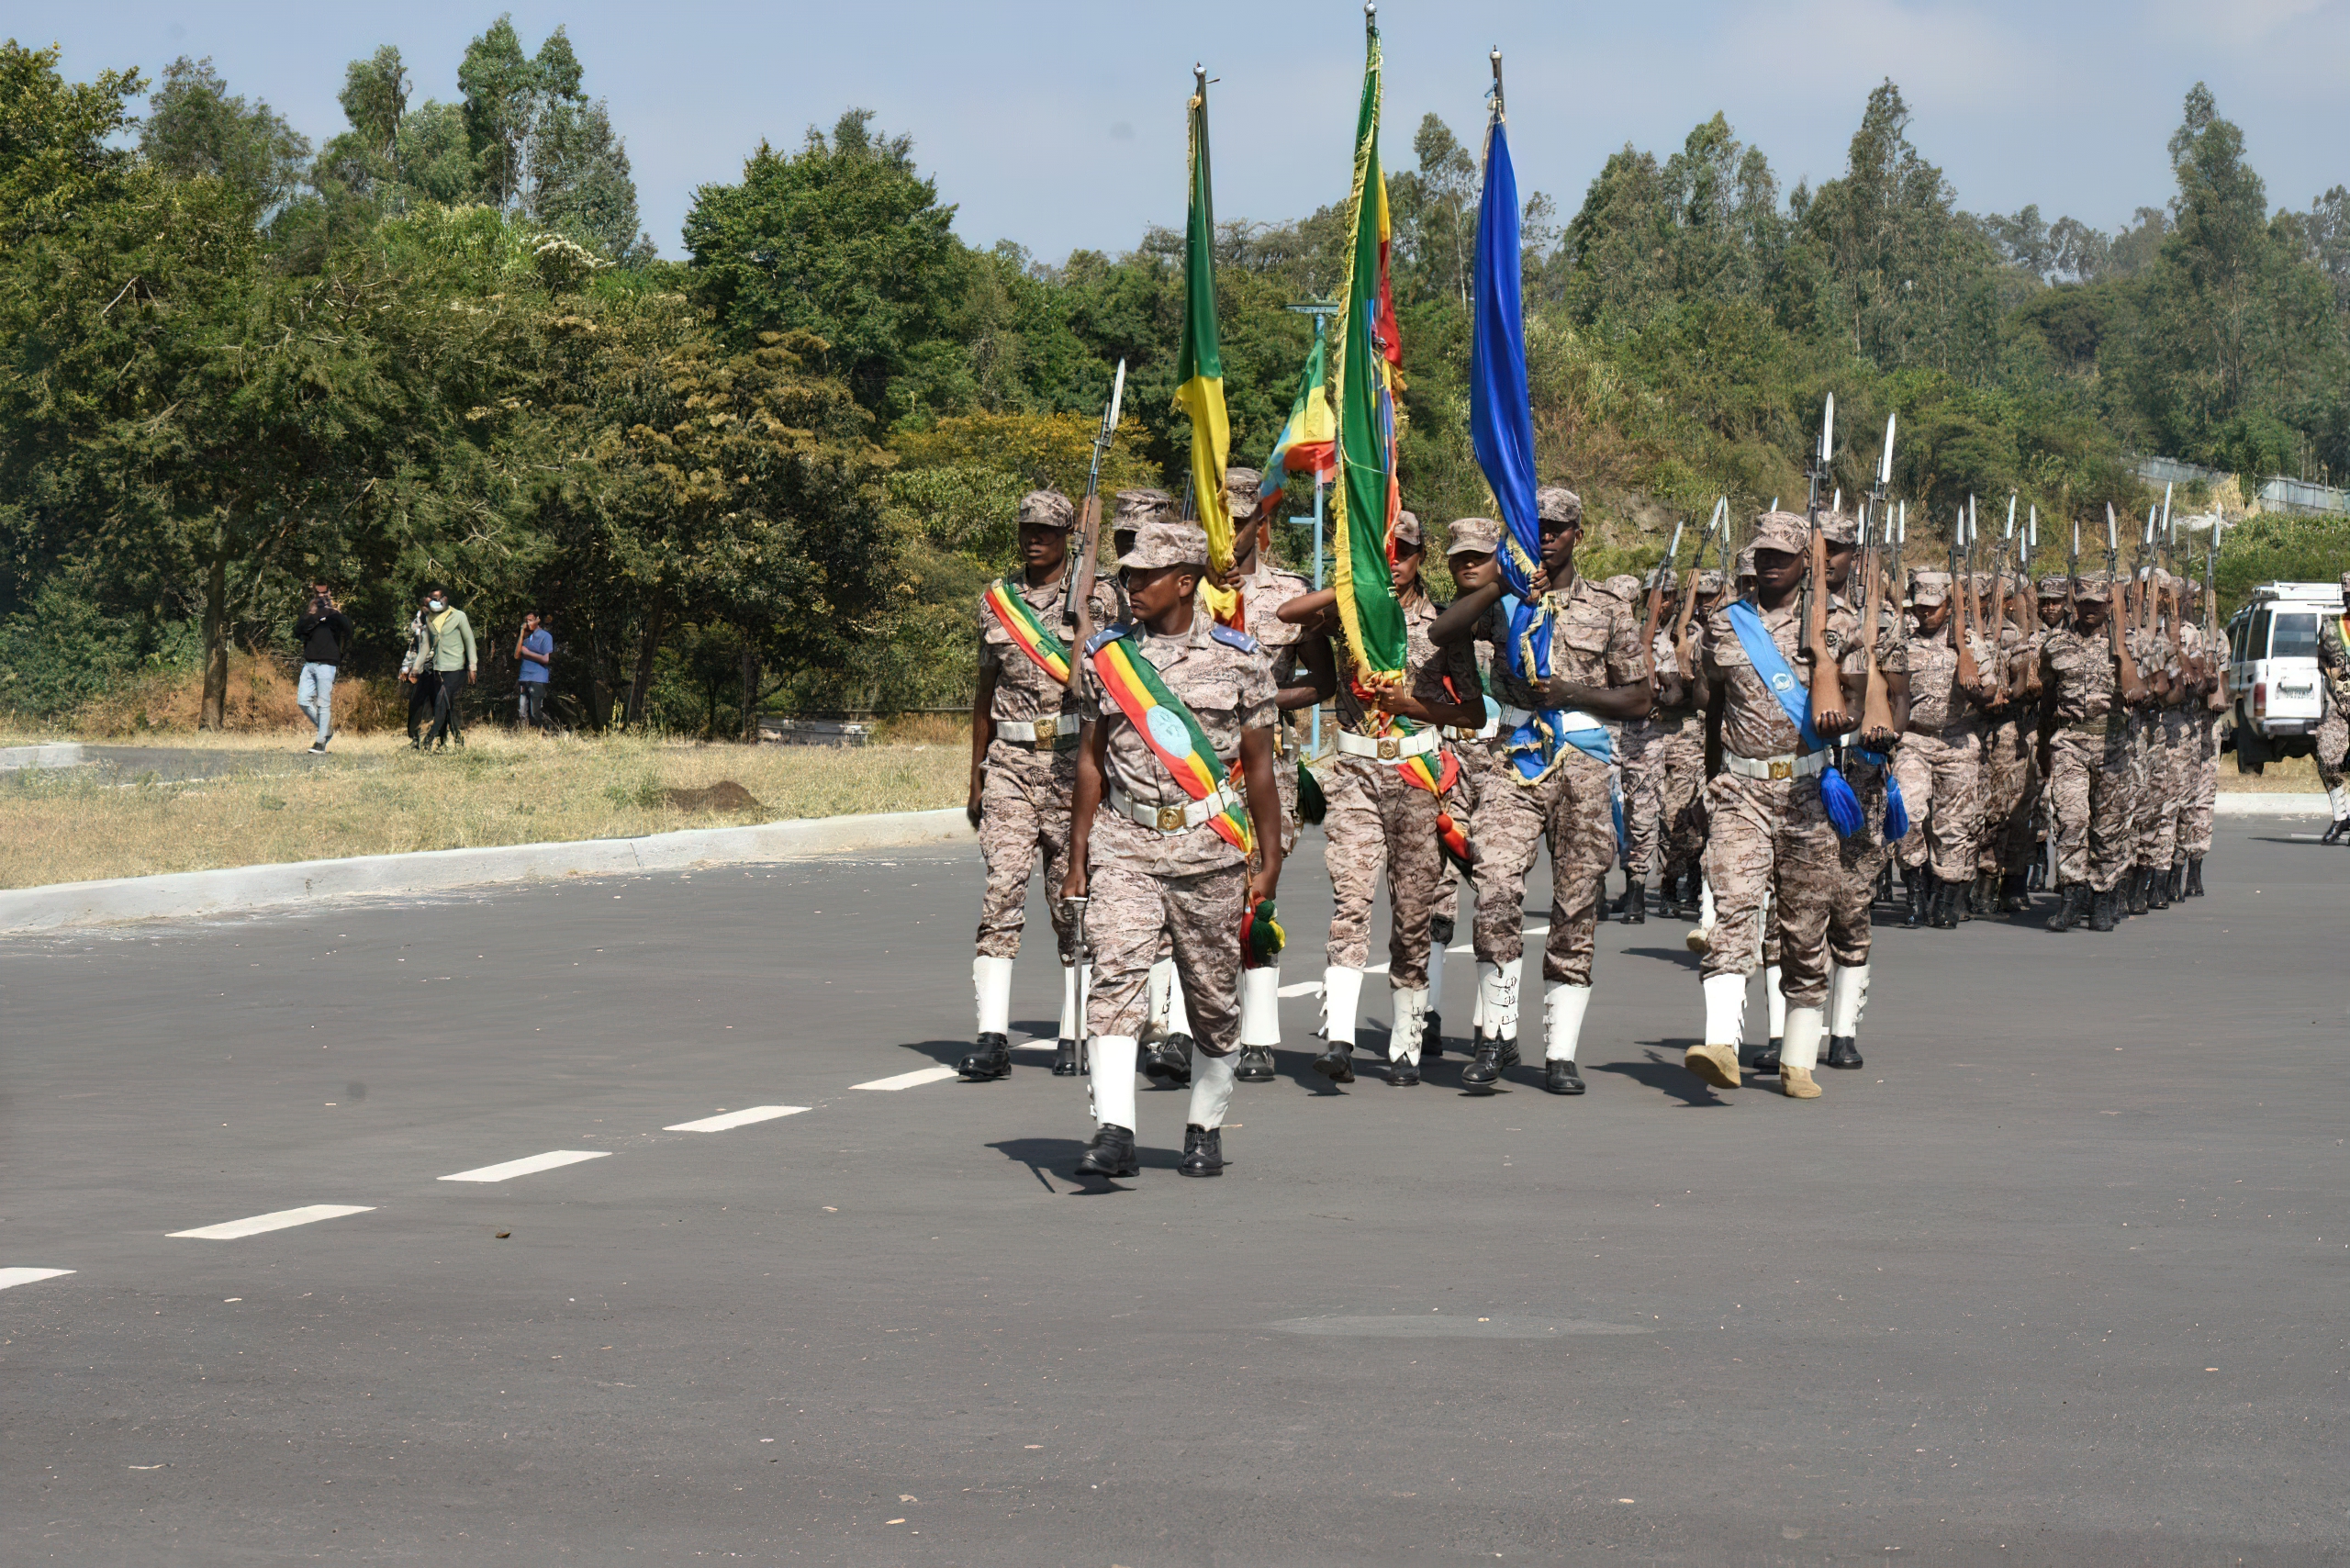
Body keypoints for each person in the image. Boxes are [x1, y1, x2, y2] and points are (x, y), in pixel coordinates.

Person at [1061, 520, 1286, 1180]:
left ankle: (1203, 1124)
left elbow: (1262, 769)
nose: (1130, 586)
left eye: (1144, 575)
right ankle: (1115, 1131)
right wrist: (1078, 857)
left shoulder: (1240, 658)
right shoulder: (1107, 659)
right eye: (1126, 575)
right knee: (1116, 980)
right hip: (1125, 844)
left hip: (1209, 851)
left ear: (1184, 582)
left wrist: (1267, 862)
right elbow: (1090, 763)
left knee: (1213, 1002)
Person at [1427, 485, 1651, 1097]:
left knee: (1576, 905)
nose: (1546, 536)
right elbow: (1441, 631)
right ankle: (1496, 1032)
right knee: (1495, 883)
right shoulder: (1502, 598)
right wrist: (1499, 584)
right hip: (1514, 757)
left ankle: (1560, 1051)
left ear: (1579, 534)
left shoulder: (1608, 607)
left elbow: (1640, 697)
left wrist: (1574, 695)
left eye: (1556, 527)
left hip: (1581, 758)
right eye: (1535, 526)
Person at [1281, 512, 1483, 1086]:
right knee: (1351, 902)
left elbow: (1471, 712)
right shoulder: (1349, 616)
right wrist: (1351, 584)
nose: (1395, 560)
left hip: (1417, 776)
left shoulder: (1443, 627)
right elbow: (1287, 615)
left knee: (1413, 912)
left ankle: (1406, 1042)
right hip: (1355, 775)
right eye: (1384, 550)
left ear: (1422, 557)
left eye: (1406, 551)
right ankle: (1340, 1038)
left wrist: (1411, 706)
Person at [1684, 510, 1860, 1101]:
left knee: (1804, 931)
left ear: (1804, 562)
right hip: (1740, 789)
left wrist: (1839, 706)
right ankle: (1720, 1044)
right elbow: (1712, 707)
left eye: (1781, 557)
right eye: (1761, 555)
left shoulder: (1837, 624)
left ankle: (1799, 1056)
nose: (1768, 565)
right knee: (1734, 905)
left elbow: (1863, 700)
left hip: (1809, 791)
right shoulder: (1725, 623)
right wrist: (1709, 782)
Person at [959, 489, 1122, 1082]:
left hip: (1070, 763)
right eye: (1027, 529)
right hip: (1009, 760)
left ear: (1065, 538)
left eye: (1048, 531)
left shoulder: (1099, 597)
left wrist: (1083, 621)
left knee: (1069, 902)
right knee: (1000, 889)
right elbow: (983, 693)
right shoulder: (997, 603)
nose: (1035, 539)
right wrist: (976, 776)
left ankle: (1075, 1028)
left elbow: (1116, 675)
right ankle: (991, 1035)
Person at [1210, 469, 1329, 1087]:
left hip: (1266, 766)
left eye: (1240, 522)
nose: (1229, 536)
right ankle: (1182, 1027)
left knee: (1258, 894)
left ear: (1264, 523)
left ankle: (1257, 1034)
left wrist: (1263, 704)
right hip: (1195, 764)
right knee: (1193, 892)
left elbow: (1323, 682)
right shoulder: (1185, 589)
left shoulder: (1289, 592)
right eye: (1219, 521)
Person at [2036, 572, 2145, 932]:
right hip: (2069, 742)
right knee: (2070, 820)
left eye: (2097, 603)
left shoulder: (2128, 645)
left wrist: (2124, 660)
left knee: (2109, 826)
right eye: (2083, 602)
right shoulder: (2056, 645)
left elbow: (2148, 689)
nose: (2089, 610)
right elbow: (2048, 700)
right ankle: (2071, 895)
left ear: (2109, 605)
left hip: (2113, 745)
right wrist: (2043, 747)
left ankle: (2102, 897)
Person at [1889, 571, 1989, 930]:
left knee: (1953, 826)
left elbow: (1993, 693)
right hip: (1914, 741)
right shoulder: (1901, 643)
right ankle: (1914, 887)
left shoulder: (1970, 644)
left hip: (1957, 744)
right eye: (1920, 608)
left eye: (1933, 608)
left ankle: (1945, 899)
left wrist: (1973, 678)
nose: (1925, 615)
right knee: (1908, 813)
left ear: (1948, 607)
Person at [294, 583, 352, 755]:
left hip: (327, 664)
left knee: (323, 703)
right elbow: (297, 631)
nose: (321, 596)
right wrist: (313, 615)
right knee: (303, 700)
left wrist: (332, 611)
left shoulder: (335, 615)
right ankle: (325, 729)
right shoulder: (310, 613)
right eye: (317, 593)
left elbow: (348, 630)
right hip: (310, 663)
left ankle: (320, 742)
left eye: (324, 592)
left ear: (329, 592)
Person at [420, 586, 477, 751]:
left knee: (441, 702)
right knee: (448, 706)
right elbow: (427, 644)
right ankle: (455, 740)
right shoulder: (431, 619)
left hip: (456, 668)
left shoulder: (459, 616)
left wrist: (472, 667)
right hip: (439, 668)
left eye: (439, 598)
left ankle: (429, 739)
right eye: (433, 599)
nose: (437, 602)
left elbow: (469, 641)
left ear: (446, 598)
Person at [2317, 568, 2350, 842]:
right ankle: (2342, 816)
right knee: (2327, 759)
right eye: (2347, 594)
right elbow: (2321, 661)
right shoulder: (2330, 624)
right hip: (2337, 707)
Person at [398, 593, 441, 748]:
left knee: (437, 705)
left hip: (436, 668)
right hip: (420, 669)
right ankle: (415, 739)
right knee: (415, 704)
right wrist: (405, 667)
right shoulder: (417, 623)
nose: (426, 607)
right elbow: (413, 648)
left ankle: (436, 740)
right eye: (424, 604)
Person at [515, 611, 554, 731]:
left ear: (538, 619)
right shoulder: (526, 638)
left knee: (535, 711)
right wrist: (522, 634)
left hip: (538, 678)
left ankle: (551, 728)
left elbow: (545, 659)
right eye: (527, 621)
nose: (529, 623)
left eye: (531, 620)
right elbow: (517, 655)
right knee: (522, 710)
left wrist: (528, 653)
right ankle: (524, 736)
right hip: (524, 677)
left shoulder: (545, 636)